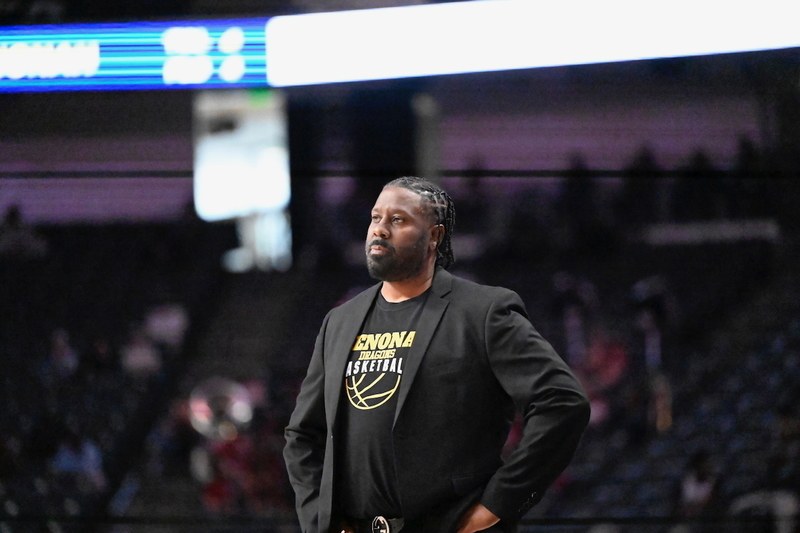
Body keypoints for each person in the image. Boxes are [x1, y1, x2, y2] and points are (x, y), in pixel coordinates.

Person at [283, 177, 590, 533]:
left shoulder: (482, 312)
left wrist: (497, 506)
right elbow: (302, 436)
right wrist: (322, 520)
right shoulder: (339, 321)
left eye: (398, 220)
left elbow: (563, 403)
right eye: (375, 217)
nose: (379, 230)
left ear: (434, 236)